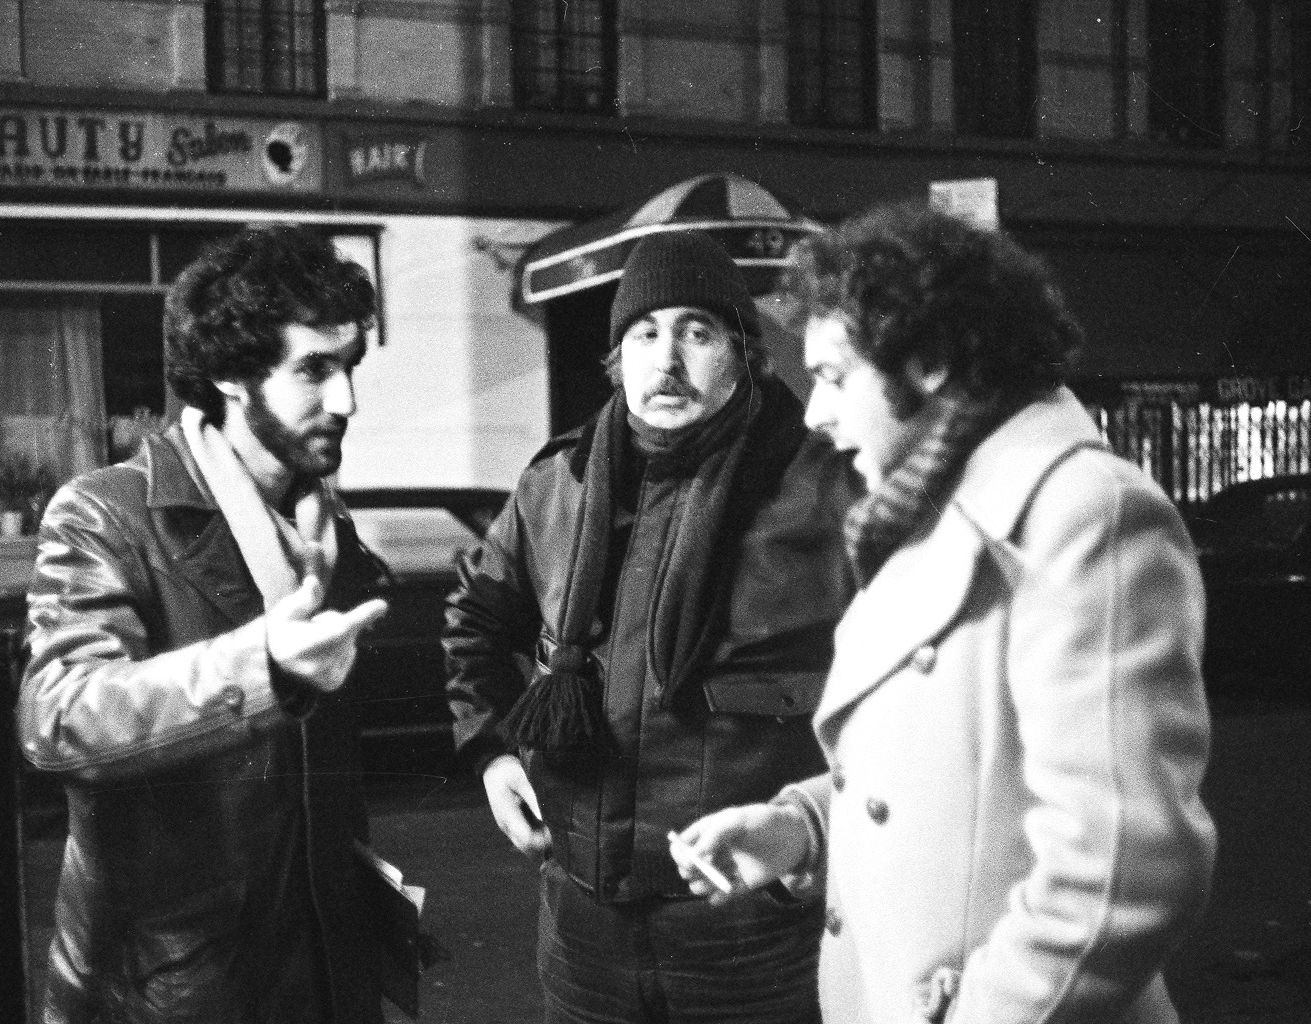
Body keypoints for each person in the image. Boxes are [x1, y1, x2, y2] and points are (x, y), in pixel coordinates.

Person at [670, 203, 1218, 1024]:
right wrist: (802, 829)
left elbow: (1124, 872)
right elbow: (956, 776)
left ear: (925, 361)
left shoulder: (1082, 513)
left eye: (832, 375)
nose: (814, 414)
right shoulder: (927, 509)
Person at [443, 230, 860, 1023]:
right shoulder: (556, 483)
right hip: (582, 931)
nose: (665, 360)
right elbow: (474, 618)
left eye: (697, 333)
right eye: (644, 334)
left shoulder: (824, 491)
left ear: (745, 356)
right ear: (618, 358)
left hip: (751, 936)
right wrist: (492, 752)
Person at [18, 225, 391, 1024]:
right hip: (173, 988)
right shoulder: (110, 511)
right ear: (228, 373)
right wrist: (262, 667)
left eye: (350, 367)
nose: (346, 401)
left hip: (321, 967)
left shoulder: (327, 524)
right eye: (314, 370)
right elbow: (59, 713)